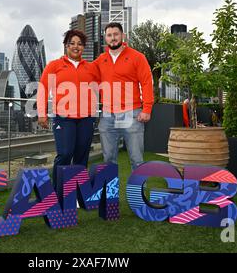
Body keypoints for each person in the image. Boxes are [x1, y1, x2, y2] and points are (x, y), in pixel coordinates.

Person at [37, 29, 100, 188]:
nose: (75, 46)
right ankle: (57, 193)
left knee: (81, 157)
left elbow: (103, 87)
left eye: (79, 44)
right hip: (63, 118)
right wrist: (41, 113)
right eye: (72, 43)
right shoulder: (54, 65)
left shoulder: (91, 67)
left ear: (83, 47)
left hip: (86, 118)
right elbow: (43, 88)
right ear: (66, 46)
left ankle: (76, 193)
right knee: (65, 154)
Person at [93, 22, 154, 170]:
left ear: (122, 36)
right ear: (105, 38)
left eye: (116, 34)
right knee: (108, 160)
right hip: (108, 115)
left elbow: (146, 82)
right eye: (109, 35)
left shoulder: (137, 57)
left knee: (137, 160)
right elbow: (86, 77)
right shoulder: (100, 60)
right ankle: (109, 193)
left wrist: (147, 109)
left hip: (132, 113)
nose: (113, 38)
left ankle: (138, 194)